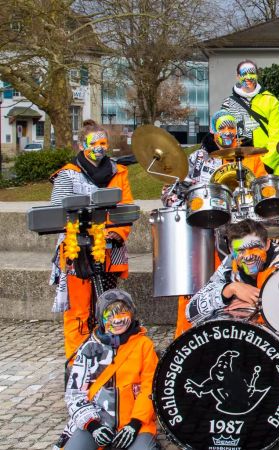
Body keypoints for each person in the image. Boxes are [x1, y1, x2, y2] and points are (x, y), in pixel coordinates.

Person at [165, 110, 268, 338]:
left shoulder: (250, 156)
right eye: (222, 128)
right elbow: (170, 192)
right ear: (213, 131)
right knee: (195, 288)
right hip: (203, 234)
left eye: (231, 128)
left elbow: (263, 191)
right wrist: (180, 196)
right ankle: (184, 337)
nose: (227, 132)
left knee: (240, 284)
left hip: (241, 234)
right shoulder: (197, 159)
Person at [50, 121, 134, 359]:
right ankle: (76, 360)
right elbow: (57, 213)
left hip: (109, 249)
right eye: (94, 142)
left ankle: (107, 355)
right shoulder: (67, 174)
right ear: (81, 145)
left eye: (103, 142)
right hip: (76, 251)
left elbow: (126, 209)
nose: (99, 147)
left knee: (107, 303)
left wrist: (117, 233)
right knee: (78, 309)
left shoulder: (119, 172)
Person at [55, 289, 158, 450]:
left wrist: (135, 423)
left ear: (132, 314)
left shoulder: (144, 345)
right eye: (110, 314)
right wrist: (93, 426)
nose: (116, 320)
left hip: (134, 423)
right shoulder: (89, 349)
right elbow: (75, 394)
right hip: (98, 421)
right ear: (101, 318)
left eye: (122, 313)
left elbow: (150, 388)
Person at [186, 219, 279, 324]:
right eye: (241, 250)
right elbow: (191, 313)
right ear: (231, 250)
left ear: (267, 244)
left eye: (254, 248)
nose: (248, 256)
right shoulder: (230, 263)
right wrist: (230, 289)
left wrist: (260, 304)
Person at [221, 60, 279, 177]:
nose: (248, 77)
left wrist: (267, 164)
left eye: (251, 73)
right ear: (238, 76)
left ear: (257, 75)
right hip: (240, 167)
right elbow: (223, 134)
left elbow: (276, 136)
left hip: (268, 167)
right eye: (244, 74)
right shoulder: (228, 104)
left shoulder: (270, 100)